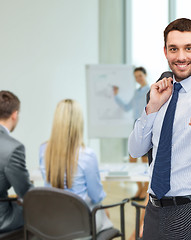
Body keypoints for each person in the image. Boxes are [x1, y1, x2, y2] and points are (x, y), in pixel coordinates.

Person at [128, 18, 191, 239]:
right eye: (174, 49)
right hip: (154, 209)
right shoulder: (159, 94)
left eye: (189, 48)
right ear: (165, 51)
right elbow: (135, 149)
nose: (181, 57)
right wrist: (152, 106)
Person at [39, 99, 113, 234]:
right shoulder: (87, 155)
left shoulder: (44, 150)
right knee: (105, 214)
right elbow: (96, 196)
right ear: (79, 123)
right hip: (81, 224)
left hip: (52, 221)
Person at [113, 67, 150, 201]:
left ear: (145, 75)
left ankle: (144, 191)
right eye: (136, 76)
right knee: (132, 160)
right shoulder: (136, 92)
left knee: (146, 161)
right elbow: (127, 107)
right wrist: (116, 95)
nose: (138, 78)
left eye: (140, 75)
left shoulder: (151, 90)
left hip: (146, 127)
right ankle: (139, 188)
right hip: (136, 126)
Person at [0, 90, 33, 233]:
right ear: (14, 114)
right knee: (42, 215)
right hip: (2, 219)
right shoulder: (13, 148)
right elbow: (26, 191)